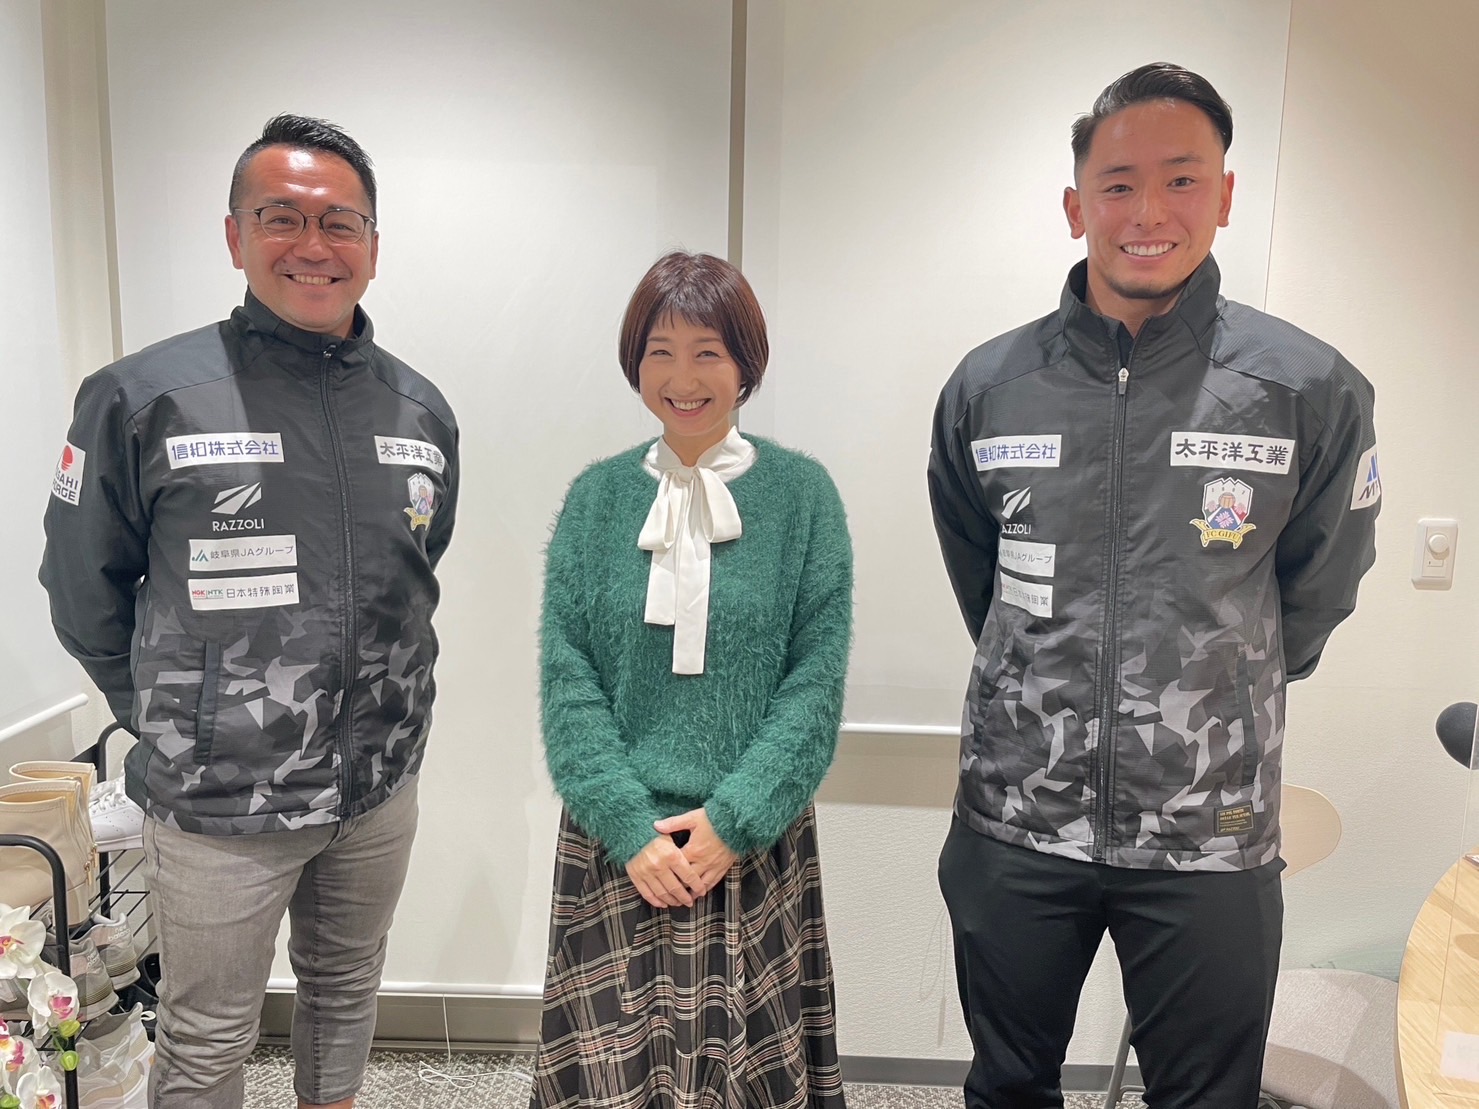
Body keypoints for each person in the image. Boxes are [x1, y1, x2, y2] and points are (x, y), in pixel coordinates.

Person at [928, 63, 1379, 1108]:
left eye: (1181, 180)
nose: (1147, 213)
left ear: (1224, 195)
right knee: (1005, 1087)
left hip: (1209, 831)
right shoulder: (989, 388)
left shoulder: (1306, 389)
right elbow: (980, 577)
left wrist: (1218, 677)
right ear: (1075, 204)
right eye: (1118, 183)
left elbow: (1316, 590)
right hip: (1016, 817)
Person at [40, 114, 459, 1109]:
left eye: (341, 222)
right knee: (207, 1038)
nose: (314, 244)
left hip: (377, 787)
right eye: (282, 217)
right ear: (235, 235)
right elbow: (82, 589)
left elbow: (414, 569)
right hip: (219, 805)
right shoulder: (142, 398)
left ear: (372, 247)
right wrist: (180, 720)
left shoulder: (420, 410)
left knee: (345, 994)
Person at [531, 251, 852, 1108]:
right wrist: (627, 827)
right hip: (617, 842)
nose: (683, 378)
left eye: (708, 351)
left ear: (746, 362)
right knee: (613, 1081)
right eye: (660, 352)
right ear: (634, 362)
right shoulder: (596, 498)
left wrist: (734, 821)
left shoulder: (804, 496)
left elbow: (814, 684)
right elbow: (568, 680)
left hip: (753, 838)